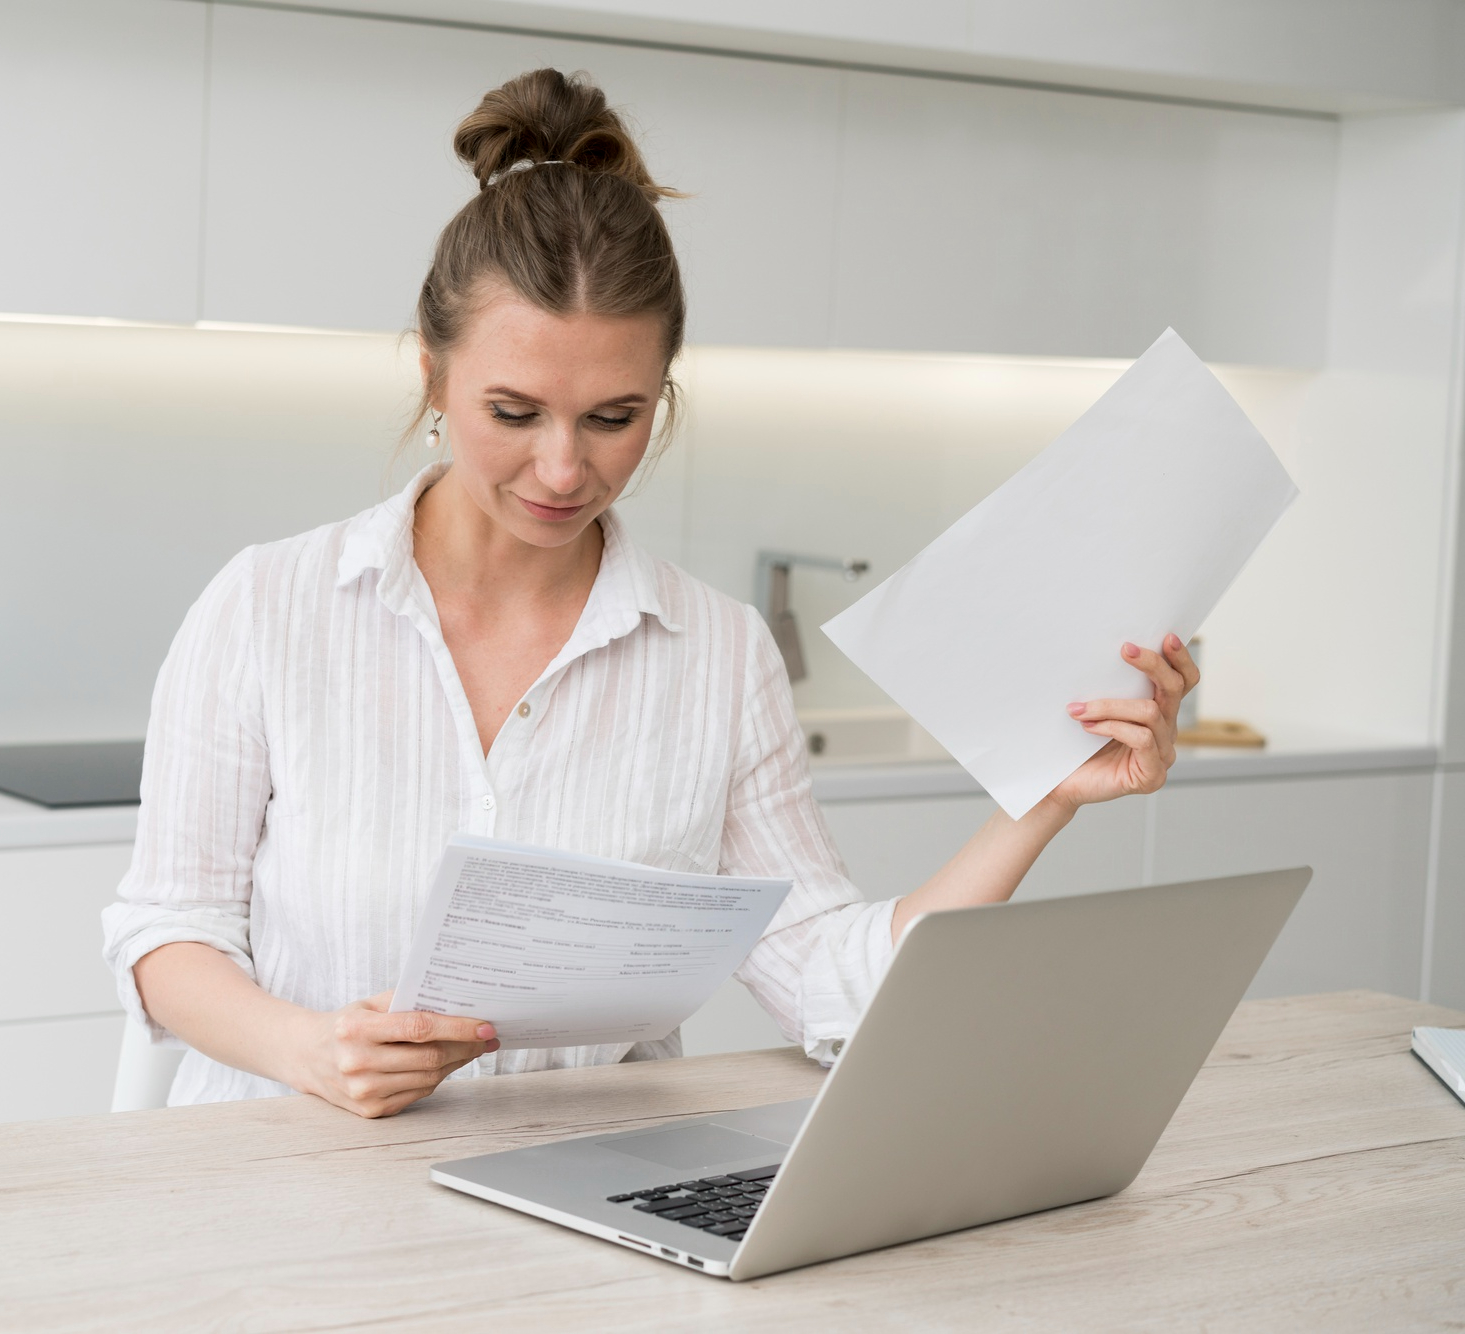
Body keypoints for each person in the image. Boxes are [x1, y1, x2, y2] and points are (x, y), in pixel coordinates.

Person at [102, 68, 1196, 1118]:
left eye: (613, 417)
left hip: (568, 1203)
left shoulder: (714, 654)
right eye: (515, 412)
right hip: (288, 1194)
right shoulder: (267, 606)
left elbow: (832, 978)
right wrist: (309, 1050)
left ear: (660, 394)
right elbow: (166, 933)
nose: (564, 467)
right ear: (431, 374)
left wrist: (1046, 792)